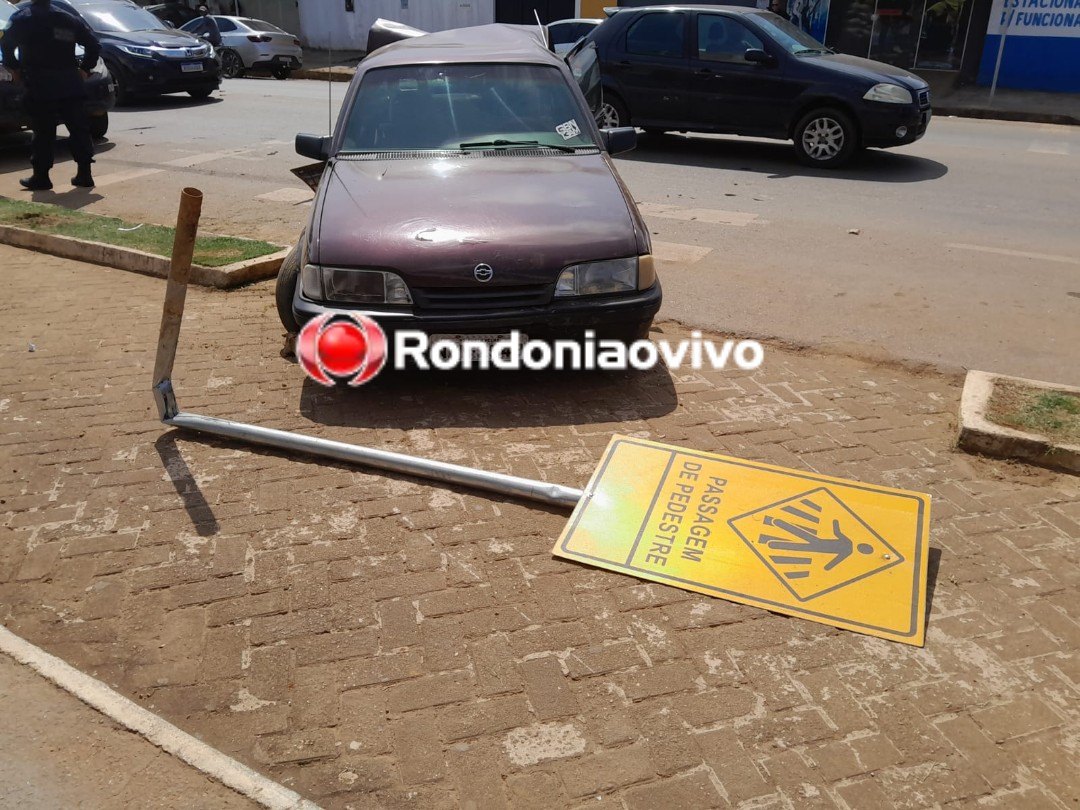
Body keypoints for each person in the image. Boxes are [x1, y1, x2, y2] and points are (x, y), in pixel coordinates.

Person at [0, 0, 100, 190]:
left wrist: (15, 69)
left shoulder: (23, 18)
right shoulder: (68, 18)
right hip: (70, 82)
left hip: (40, 83)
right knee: (78, 128)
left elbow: (6, 45)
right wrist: (85, 69)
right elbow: (93, 44)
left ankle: (41, 176)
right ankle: (84, 173)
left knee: (43, 131)